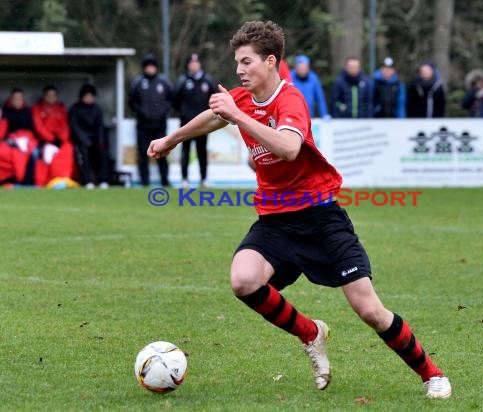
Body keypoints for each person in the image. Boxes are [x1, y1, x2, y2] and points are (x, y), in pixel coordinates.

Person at [147, 20, 451, 398]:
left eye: (246, 62)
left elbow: (289, 148)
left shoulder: (290, 100)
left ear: (270, 61)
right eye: (237, 63)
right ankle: (311, 332)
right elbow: (213, 117)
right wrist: (172, 138)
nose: (239, 70)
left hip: (321, 218)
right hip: (275, 220)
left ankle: (431, 374)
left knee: (370, 310)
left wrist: (236, 115)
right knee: (243, 281)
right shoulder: (242, 99)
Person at [173, 53, 217, 188]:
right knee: (185, 151)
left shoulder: (208, 81)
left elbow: (215, 99)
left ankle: (203, 179)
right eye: (191, 63)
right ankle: (184, 179)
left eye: (196, 63)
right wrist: (183, 113)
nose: (194, 65)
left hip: (203, 124)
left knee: (202, 151)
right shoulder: (182, 81)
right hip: (186, 123)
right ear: (188, 65)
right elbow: (175, 100)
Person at [129, 52, 172, 186]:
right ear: (144, 68)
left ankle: (165, 181)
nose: (150, 68)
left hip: (160, 126)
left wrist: (162, 112)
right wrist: (142, 113)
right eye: (148, 66)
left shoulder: (164, 82)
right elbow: (131, 101)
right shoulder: (138, 82)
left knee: (162, 154)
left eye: (153, 66)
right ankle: (144, 182)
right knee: (143, 154)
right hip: (143, 126)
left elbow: (171, 100)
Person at [32, 85, 76, 186]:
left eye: (53, 95)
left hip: (60, 141)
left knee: (68, 149)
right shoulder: (37, 108)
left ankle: (63, 179)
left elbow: (65, 126)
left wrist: (60, 139)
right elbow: (39, 127)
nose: (51, 97)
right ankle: (48, 181)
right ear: (44, 96)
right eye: (49, 95)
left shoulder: (61, 108)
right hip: (44, 141)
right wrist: (51, 139)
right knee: (46, 154)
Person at [68, 84, 110, 189]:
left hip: (95, 139)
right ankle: (87, 181)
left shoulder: (97, 109)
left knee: (103, 153)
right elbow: (74, 126)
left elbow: (100, 126)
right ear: (82, 97)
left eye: (91, 96)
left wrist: (100, 141)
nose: (89, 98)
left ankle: (103, 180)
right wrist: (85, 140)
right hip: (81, 141)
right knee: (84, 155)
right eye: (87, 96)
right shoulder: (75, 109)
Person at [0, 88, 38, 185]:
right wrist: (12, 141)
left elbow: (32, 129)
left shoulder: (27, 112)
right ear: (11, 99)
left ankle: (27, 182)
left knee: (34, 153)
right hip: (9, 142)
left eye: (20, 98)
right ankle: (13, 181)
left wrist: (25, 139)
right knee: (12, 155)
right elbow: (3, 131)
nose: (18, 101)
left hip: (27, 140)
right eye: (15, 98)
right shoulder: (5, 111)